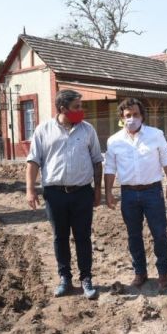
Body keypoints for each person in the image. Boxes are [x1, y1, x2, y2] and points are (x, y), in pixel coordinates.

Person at [26, 89, 103, 299]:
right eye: (76, 107)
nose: (81, 110)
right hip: (55, 194)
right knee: (60, 237)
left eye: (81, 106)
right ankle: (65, 278)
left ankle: (86, 278)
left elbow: (97, 161)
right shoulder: (43, 130)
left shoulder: (88, 130)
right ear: (62, 109)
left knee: (83, 237)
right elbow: (33, 161)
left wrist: (98, 191)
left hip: (82, 194)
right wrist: (30, 190)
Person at [104, 98, 167, 289]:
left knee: (159, 233)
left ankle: (163, 273)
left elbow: (166, 160)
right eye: (128, 115)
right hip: (128, 194)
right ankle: (140, 273)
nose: (132, 118)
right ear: (122, 117)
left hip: (153, 192)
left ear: (142, 115)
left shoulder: (155, 135)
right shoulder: (114, 141)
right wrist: (108, 192)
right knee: (133, 235)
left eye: (136, 114)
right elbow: (110, 168)